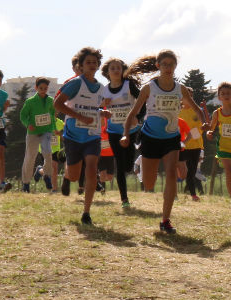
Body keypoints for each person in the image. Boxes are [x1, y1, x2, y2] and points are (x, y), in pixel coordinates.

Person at [119, 50, 203, 234]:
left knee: (171, 173)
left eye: (171, 65)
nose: (168, 68)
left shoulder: (180, 89)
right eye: (164, 64)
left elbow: (197, 110)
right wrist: (126, 134)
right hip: (150, 138)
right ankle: (145, 167)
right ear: (158, 66)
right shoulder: (149, 88)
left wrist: (205, 123)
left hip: (171, 137)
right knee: (149, 184)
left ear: (175, 67)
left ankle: (166, 220)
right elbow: (132, 114)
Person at [54, 47, 113, 225]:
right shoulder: (75, 84)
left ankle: (86, 212)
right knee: (73, 175)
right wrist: (80, 117)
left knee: (92, 168)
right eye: (88, 62)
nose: (92, 65)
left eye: (94, 62)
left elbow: (94, 109)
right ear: (81, 65)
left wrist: (103, 114)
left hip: (92, 135)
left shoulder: (101, 88)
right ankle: (66, 177)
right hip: (73, 135)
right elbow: (58, 104)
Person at [101, 57, 143, 208]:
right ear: (107, 72)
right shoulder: (104, 90)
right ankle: (124, 199)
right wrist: (102, 105)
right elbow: (96, 107)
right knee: (119, 163)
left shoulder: (128, 85)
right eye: (112, 68)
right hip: (114, 130)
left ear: (123, 70)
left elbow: (142, 100)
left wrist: (137, 117)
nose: (116, 70)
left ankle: (128, 167)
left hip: (131, 129)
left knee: (127, 166)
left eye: (118, 67)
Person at [19, 78, 57, 193]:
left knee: (48, 153)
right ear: (36, 88)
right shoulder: (30, 102)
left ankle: (47, 176)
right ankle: (26, 183)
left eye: (45, 88)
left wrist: (54, 128)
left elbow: (53, 114)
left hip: (46, 131)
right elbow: (23, 116)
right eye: (41, 88)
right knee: (30, 157)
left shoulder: (51, 100)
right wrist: (27, 124)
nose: (43, 90)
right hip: (33, 132)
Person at [178, 102, 205, 202]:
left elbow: (202, 127)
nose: (189, 99)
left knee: (192, 171)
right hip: (182, 147)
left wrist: (189, 137)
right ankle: (175, 192)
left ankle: (193, 195)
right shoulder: (178, 111)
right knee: (181, 173)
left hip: (195, 146)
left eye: (190, 96)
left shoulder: (198, 111)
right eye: (186, 96)